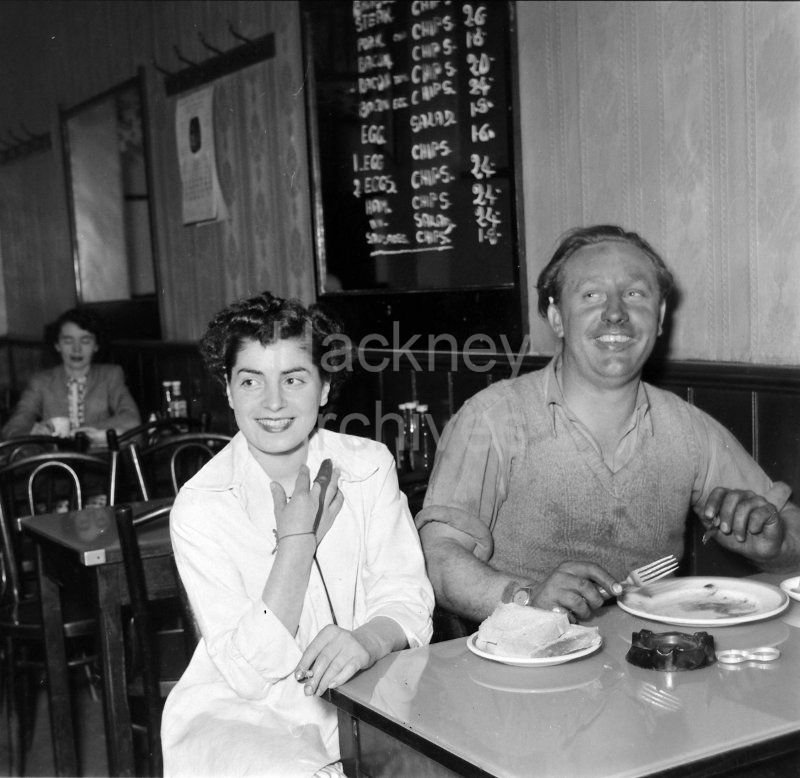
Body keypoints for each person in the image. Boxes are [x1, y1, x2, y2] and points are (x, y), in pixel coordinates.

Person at [416, 224, 800, 625]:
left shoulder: (690, 431)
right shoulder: (491, 418)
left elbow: (791, 530)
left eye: (634, 294)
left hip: (652, 664)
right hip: (519, 668)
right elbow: (437, 558)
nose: (615, 313)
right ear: (556, 317)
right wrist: (524, 598)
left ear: (660, 316)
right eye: (591, 295)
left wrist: (773, 542)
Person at [162, 292, 433, 777]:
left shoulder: (367, 466)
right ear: (227, 389)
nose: (273, 402)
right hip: (248, 719)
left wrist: (369, 639)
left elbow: (406, 594)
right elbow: (247, 673)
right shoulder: (203, 504)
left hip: (370, 693)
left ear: (325, 388)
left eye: (294, 379)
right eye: (251, 380)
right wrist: (296, 544)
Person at [1, 307, 141, 446]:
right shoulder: (41, 381)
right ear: (57, 345)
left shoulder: (110, 375)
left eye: (85, 341)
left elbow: (131, 419)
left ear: (96, 346)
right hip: (55, 462)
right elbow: (14, 427)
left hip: (100, 460)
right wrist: (34, 432)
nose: (76, 349)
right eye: (68, 341)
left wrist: (82, 432)